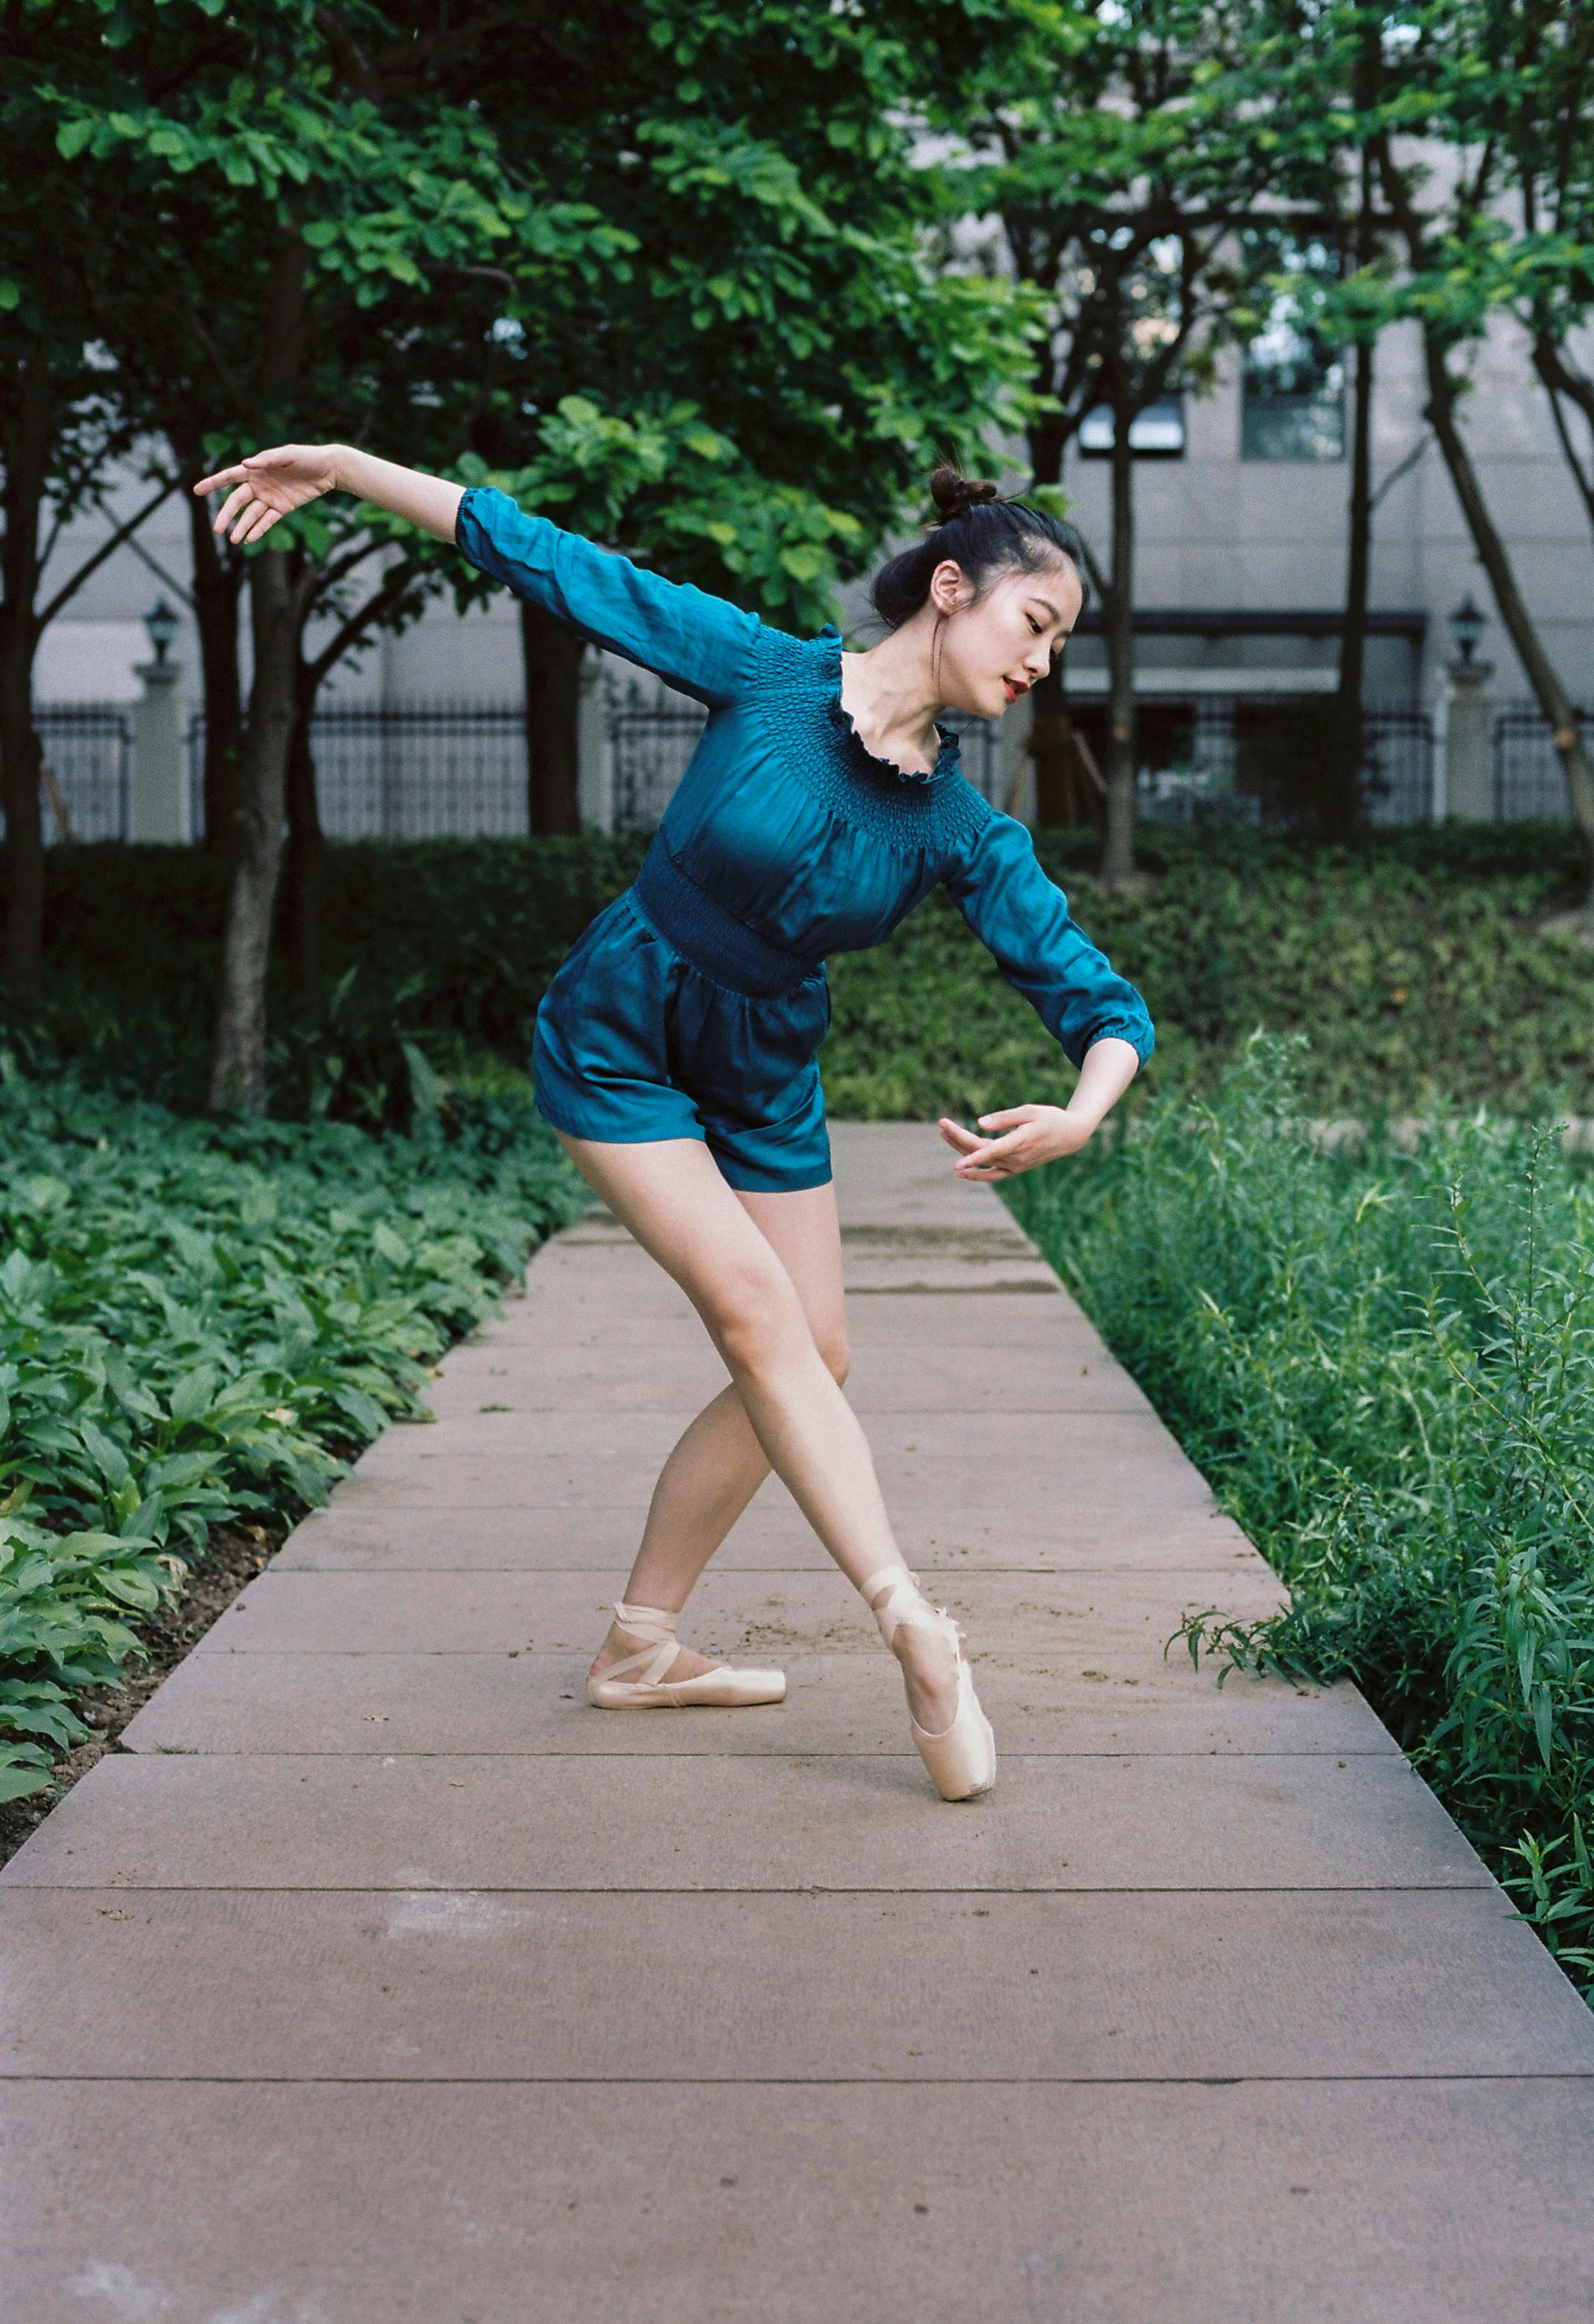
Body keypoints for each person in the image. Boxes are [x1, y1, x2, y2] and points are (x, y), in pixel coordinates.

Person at [196, 445, 1155, 1802]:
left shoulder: (957, 825)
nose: (1044, 662)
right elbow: (554, 560)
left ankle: (640, 1646)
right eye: (1036, 624)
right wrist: (346, 469)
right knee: (763, 1322)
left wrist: (1083, 1110)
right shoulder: (768, 673)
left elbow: (1099, 1000)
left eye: (1059, 644)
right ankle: (911, 1623)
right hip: (626, 1029)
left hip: (764, 1070)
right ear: (953, 589)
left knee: (817, 1349)